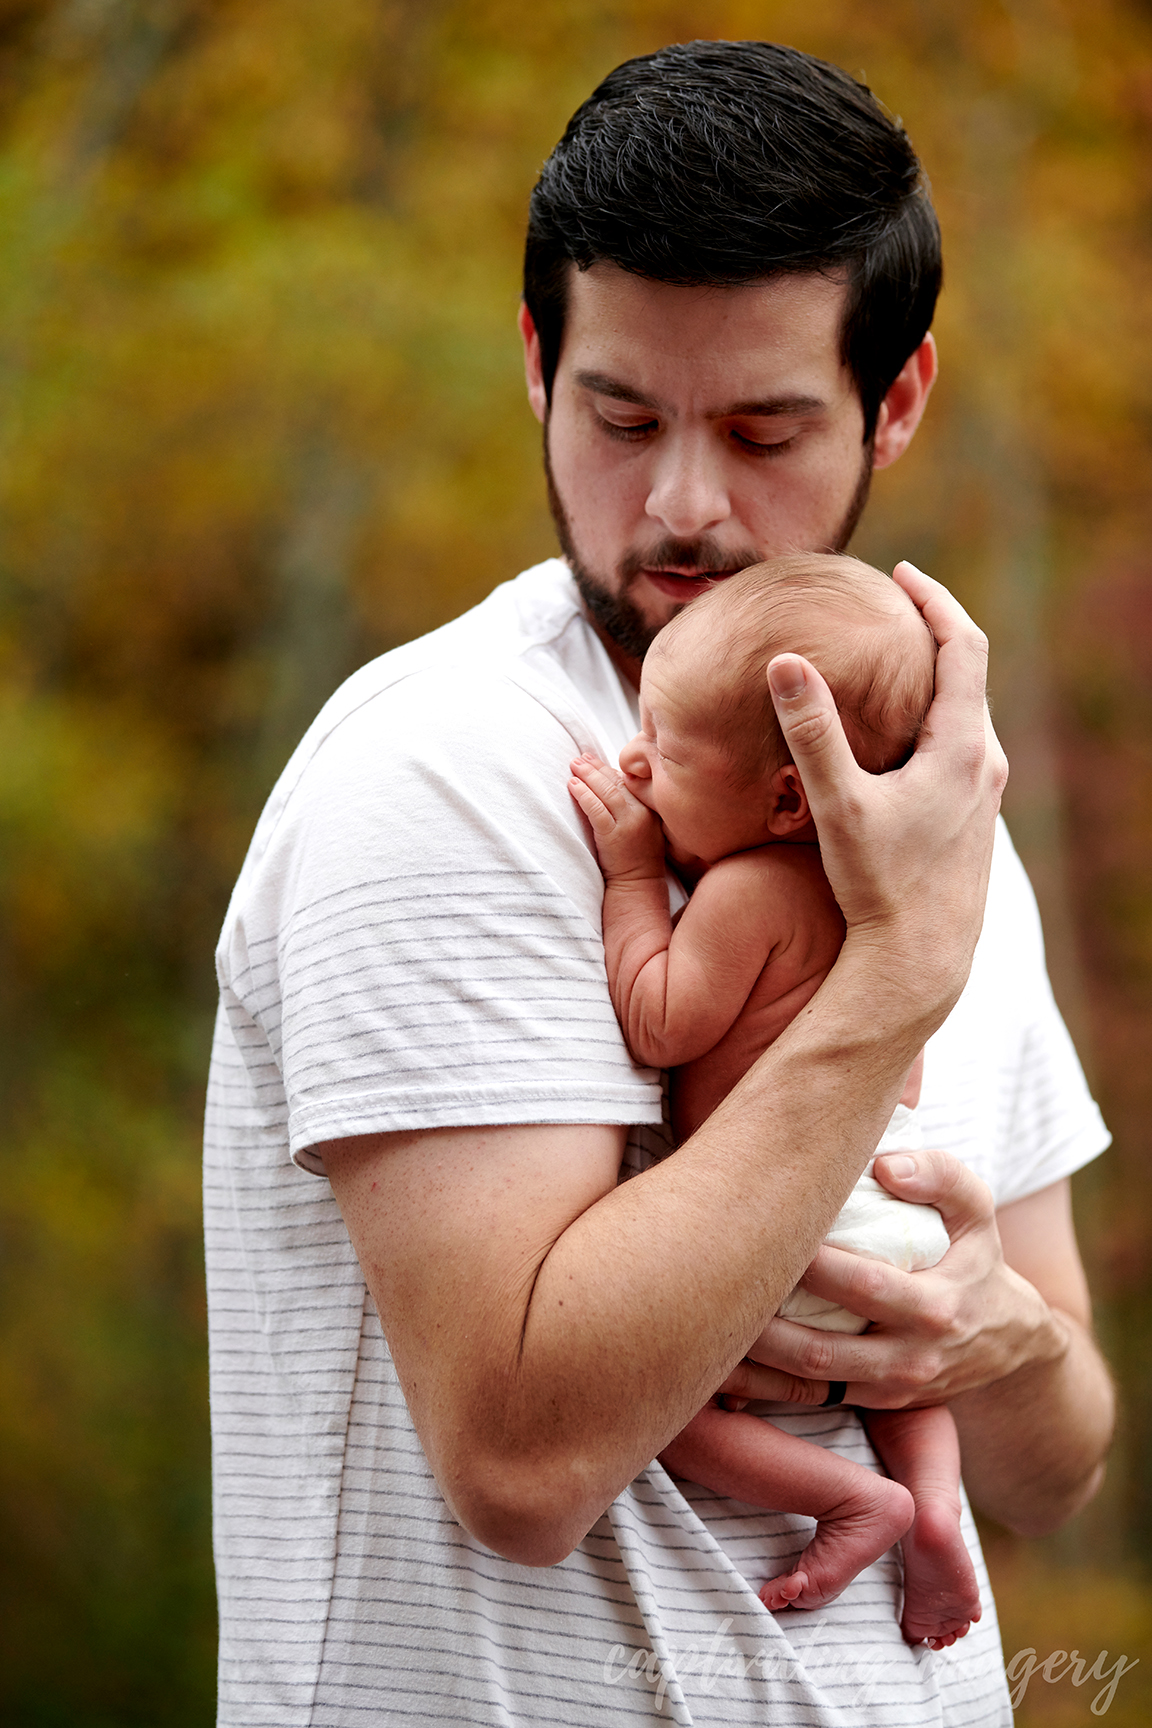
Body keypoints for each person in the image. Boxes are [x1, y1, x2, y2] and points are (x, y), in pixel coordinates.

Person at [205, 39, 1113, 1728]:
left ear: (896, 399)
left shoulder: (940, 802)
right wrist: (892, 977)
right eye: (620, 415)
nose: (681, 505)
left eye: (766, 427)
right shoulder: (451, 772)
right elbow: (525, 1458)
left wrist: (985, 1335)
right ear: (538, 365)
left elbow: (1059, 1463)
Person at [567, 553, 981, 1649]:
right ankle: (936, 1504)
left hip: (796, 1224)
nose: (634, 761)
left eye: (666, 752)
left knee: (662, 1409)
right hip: (890, 1219)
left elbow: (661, 1020)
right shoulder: (873, 902)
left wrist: (626, 876)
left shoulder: (748, 890)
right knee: (906, 1385)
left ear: (787, 795)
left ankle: (855, 1502)